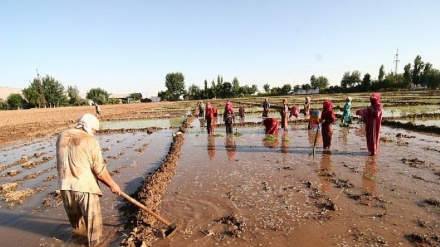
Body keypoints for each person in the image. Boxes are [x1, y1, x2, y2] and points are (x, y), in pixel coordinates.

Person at [56, 113, 121, 247]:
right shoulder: (90, 141)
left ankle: (78, 243)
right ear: (88, 127)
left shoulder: (61, 136)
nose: (95, 133)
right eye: (94, 130)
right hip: (85, 189)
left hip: (65, 187)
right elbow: (99, 170)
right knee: (94, 232)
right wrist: (112, 185)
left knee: (77, 227)